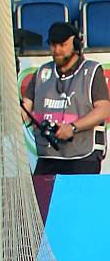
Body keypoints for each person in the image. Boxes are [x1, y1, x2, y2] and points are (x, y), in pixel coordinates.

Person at [21, 22, 110, 175]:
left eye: (63, 45)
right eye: (53, 45)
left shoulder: (92, 71)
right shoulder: (42, 73)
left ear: (76, 44)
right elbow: (24, 109)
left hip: (83, 156)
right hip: (48, 156)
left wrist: (72, 127)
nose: (57, 51)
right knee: (40, 198)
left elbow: (103, 109)